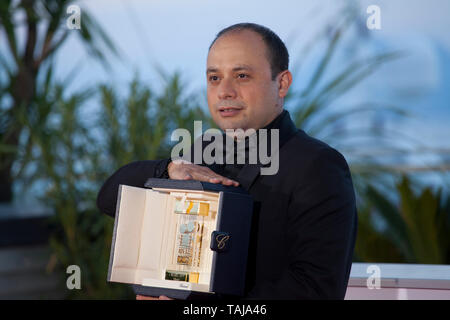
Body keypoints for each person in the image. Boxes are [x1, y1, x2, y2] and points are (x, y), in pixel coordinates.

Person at [97, 23, 358, 300]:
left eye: (242, 75)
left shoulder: (318, 166)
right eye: (214, 78)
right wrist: (168, 169)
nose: (224, 91)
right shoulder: (202, 151)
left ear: (281, 83)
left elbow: (315, 290)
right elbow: (110, 199)